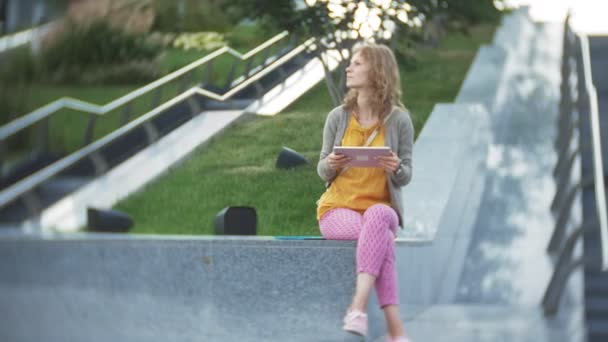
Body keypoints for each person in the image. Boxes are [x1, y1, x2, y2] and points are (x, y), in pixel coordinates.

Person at [316, 43, 414, 342]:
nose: (348, 68)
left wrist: (396, 167)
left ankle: (356, 309)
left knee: (380, 216)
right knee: (381, 239)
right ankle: (396, 332)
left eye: (357, 64)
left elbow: (406, 175)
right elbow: (321, 170)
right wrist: (331, 163)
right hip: (337, 209)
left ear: (377, 71)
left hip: (382, 210)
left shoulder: (399, 120)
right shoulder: (338, 117)